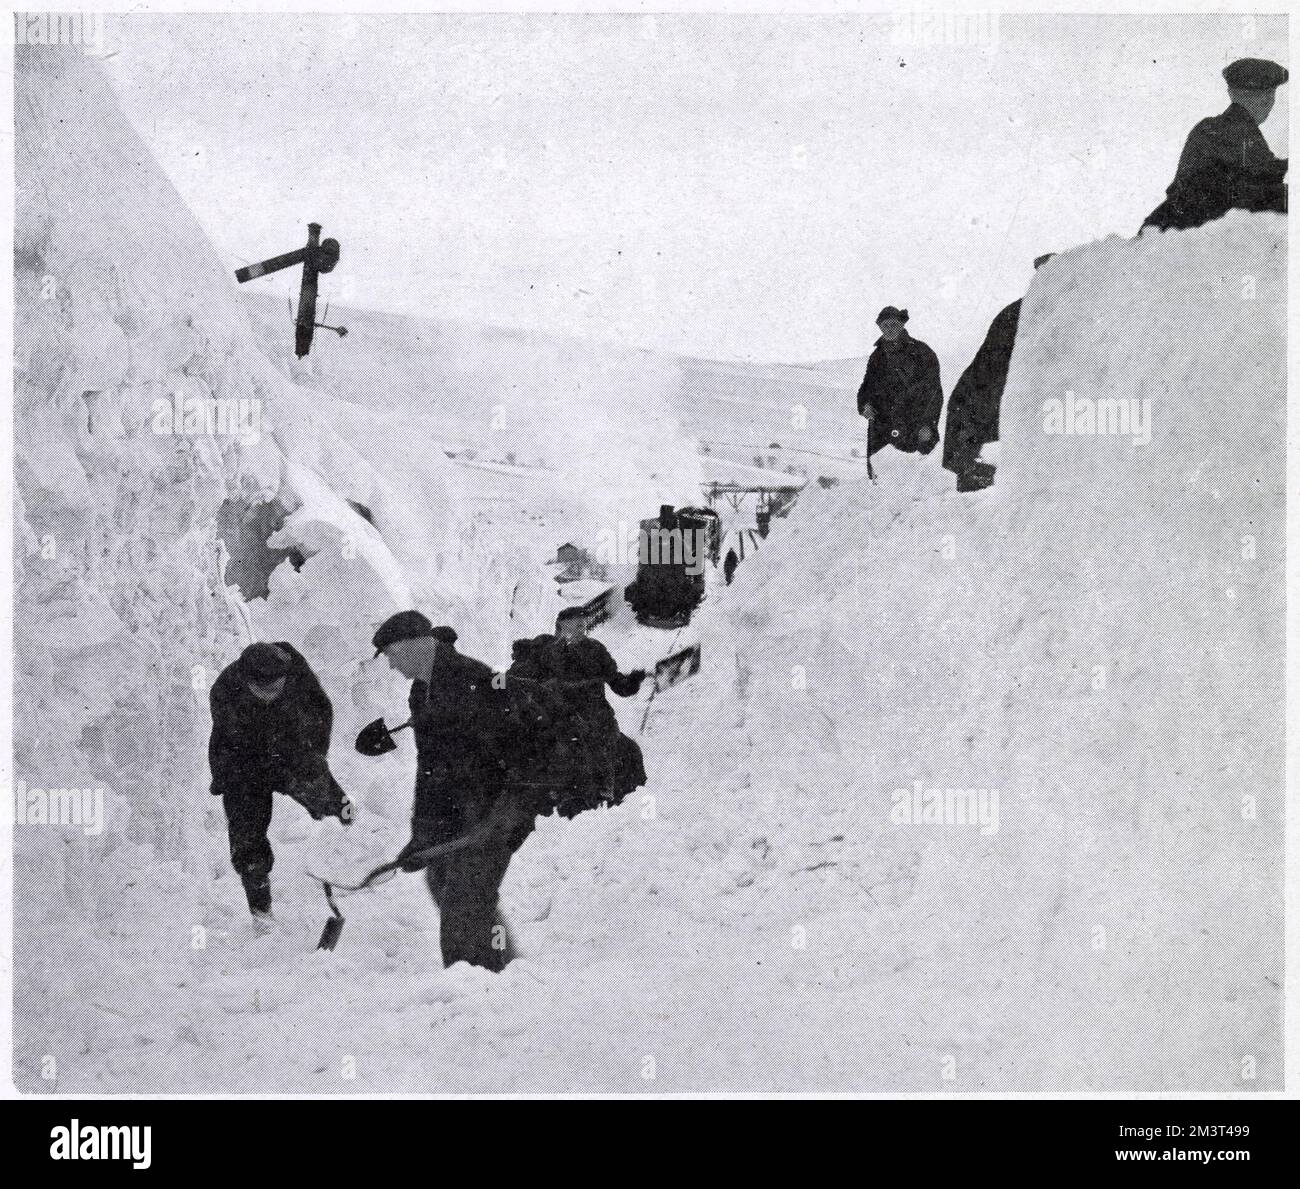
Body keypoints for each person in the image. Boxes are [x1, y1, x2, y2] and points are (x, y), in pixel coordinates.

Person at [374, 611, 534, 972]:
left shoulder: (473, 680)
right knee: (442, 878)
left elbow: (519, 746)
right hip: (462, 809)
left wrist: (499, 815)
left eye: (393, 656)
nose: (392, 667)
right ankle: (506, 969)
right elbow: (430, 769)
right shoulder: (422, 693)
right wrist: (423, 836)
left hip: (499, 807)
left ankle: (475, 994)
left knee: (464, 903)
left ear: (415, 645)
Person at [209, 641, 353, 923]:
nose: (271, 696)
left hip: (292, 748)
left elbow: (321, 714)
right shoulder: (225, 690)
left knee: (334, 801)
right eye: (263, 691)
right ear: (247, 681)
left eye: (277, 688)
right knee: (247, 837)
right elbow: (234, 743)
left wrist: (313, 760)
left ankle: (356, 844)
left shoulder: (297, 674)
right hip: (243, 762)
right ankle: (261, 911)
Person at [941, 253, 1055, 492]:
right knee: (984, 495)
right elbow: (997, 372)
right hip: (981, 409)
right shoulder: (1022, 314)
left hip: (987, 409)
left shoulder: (1040, 312)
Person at [1143, 57, 1288, 233]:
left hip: (1170, 228)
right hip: (1189, 234)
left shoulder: (1209, 127)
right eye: (1270, 95)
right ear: (1267, 99)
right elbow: (1263, 178)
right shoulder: (1240, 130)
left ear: (1230, 93)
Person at [536, 608, 648, 816]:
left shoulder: (595, 650)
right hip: (559, 715)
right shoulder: (547, 654)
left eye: (583, 624)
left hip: (595, 716)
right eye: (576, 625)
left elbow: (619, 686)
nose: (583, 628)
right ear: (561, 627)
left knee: (606, 740)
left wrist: (633, 681)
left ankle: (605, 790)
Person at [856, 307, 944, 458]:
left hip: (914, 424)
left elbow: (934, 392)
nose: (889, 329)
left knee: (913, 474)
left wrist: (928, 424)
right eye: (885, 326)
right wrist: (865, 405)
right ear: (880, 327)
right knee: (881, 471)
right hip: (882, 426)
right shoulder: (877, 356)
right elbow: (867, 386)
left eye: (894, 325)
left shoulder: (922, 352)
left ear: (902, 325)